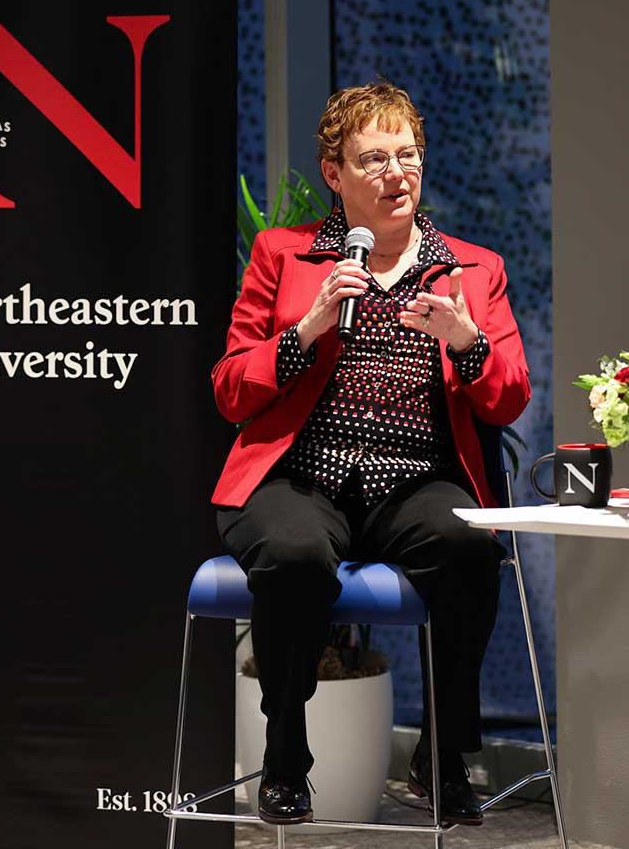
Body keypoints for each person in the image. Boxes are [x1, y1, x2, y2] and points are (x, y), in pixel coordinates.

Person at [210, 82, 530, 826]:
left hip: (415, 480)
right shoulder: (283, 257)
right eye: (375, 158)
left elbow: (510, 398)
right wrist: (306, 330)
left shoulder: (473, 271)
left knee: (466, 541)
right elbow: (229, 388)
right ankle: (285, 754)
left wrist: (467, 342)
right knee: (292, 551)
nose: (397, 174)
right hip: (300, 476)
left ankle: (444, 755)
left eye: (408, 155)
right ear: (335, 173)